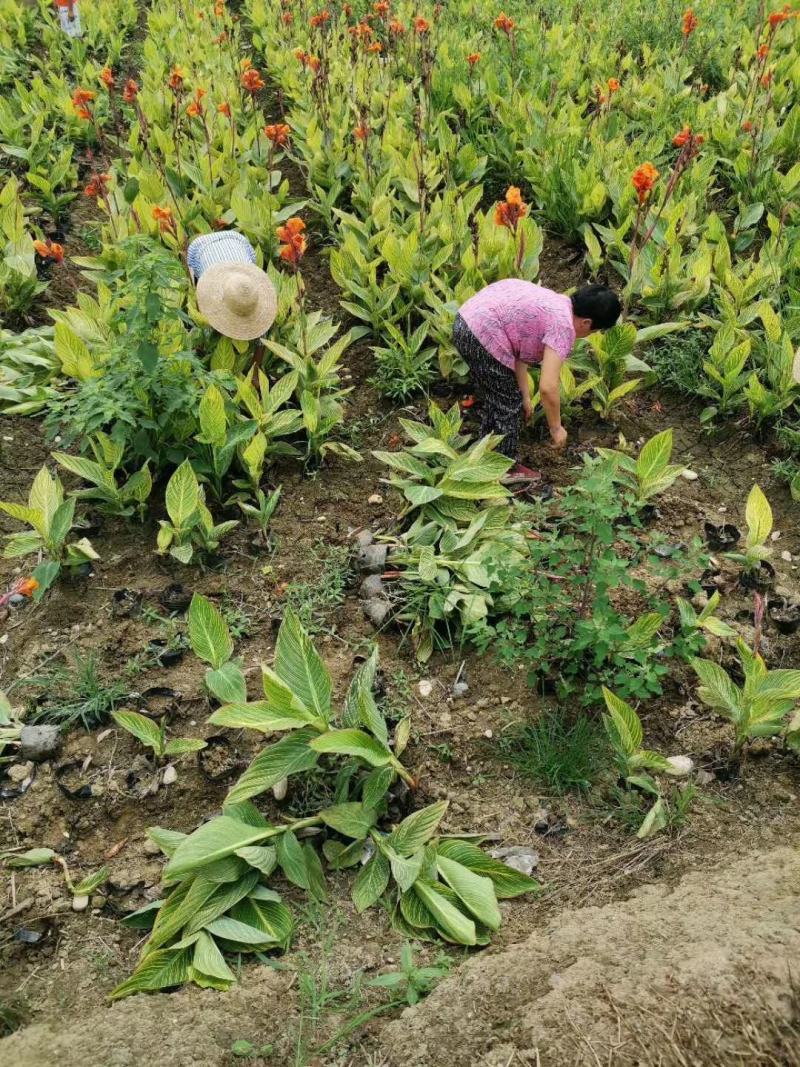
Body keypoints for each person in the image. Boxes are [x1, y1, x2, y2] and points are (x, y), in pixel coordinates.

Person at [453, 280, 621, 482]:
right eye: (594, 331)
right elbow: (548, 387)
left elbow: (518, 351)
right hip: (482, 332)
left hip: (466, 320)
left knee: (502, 395)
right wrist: (556, 428)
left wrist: (524, 395)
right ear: (586, 323)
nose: (588, 335)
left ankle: (485, 450)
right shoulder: (564, 326)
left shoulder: (556, 303)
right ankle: (504, 467)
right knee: (506, 403)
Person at [186, 231, 277, 341]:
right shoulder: (211, 290)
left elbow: (261, 341)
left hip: (238, 240)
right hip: (200, 247)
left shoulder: (253, 290)